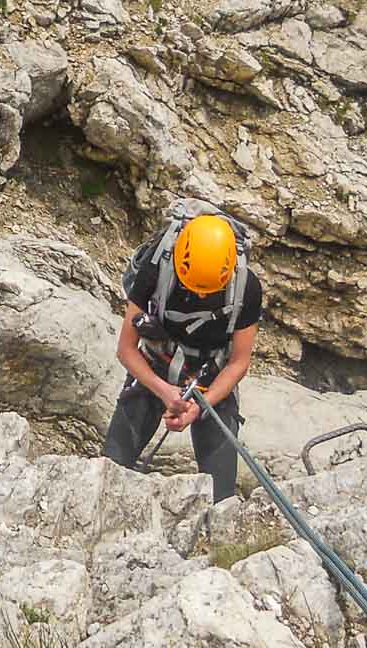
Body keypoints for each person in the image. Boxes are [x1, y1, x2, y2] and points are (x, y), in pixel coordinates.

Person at [100, 204, 263, 501]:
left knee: (221, 497)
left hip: (211, 380)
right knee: (109, 469)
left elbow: (238, 363)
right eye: (195, 287)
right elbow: (126, 349)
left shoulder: (245, 287)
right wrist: (164, 391)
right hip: (155, 369)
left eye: (208, 290)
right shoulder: (156, 269)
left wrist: (202, 406)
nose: (201, 295)